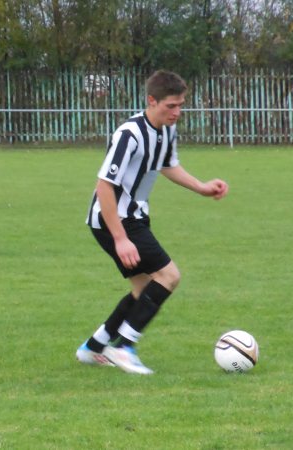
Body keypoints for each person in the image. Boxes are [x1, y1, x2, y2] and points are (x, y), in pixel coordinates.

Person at [76, 70, 229, 374]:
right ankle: (124, 348)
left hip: (133, 217)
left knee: (142, 288)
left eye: (181, 105)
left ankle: (93, 347)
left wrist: (201, 187)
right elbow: (104, 186)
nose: (177, 112)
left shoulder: (166, 131)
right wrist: (120, 238)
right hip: (114, 220)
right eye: (171, 106)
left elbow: (167, 165)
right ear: (151, 100)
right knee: (169, 276)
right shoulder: (129, 135)